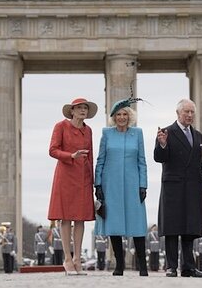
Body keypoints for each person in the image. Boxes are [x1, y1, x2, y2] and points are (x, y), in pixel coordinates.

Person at [154, 98, 202, 278]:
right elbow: (160, 158)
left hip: (193, 187)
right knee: (172, 228)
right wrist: (162, 144)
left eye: (192, 112)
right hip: (173, 187)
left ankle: (189, 267)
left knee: (189, 229)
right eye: (186, 112)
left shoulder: (198, 135)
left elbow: (200, 161)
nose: (190, 115)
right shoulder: (166, 132)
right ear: (178, 113)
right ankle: (171, 267)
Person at [94, 98, 149, 276]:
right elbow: (100, 160)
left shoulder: (138, 133)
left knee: (138, 224)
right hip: (112, 185)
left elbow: (142, 161)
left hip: (133, 184)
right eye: (118, 114)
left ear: (130, 116)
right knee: (114, 224)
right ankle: (119, 265)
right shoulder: (107, 134)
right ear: (113, 117)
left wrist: (143, 185)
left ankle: (142, 265)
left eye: (125, 114)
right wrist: (98, 184)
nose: (122, 117)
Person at [48, 97, 98, 275]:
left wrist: (93, 181)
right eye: (79, 108)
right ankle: (67, 259)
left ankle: (78, 258)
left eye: (85, 108)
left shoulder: (89, 130)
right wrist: (71, 155)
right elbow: (52, 150)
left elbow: (91, 156)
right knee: (65, 217)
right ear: (72, 111)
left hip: (83, 177)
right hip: (66, 174)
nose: (83, 110)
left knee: (80, 218)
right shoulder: (60, 126)